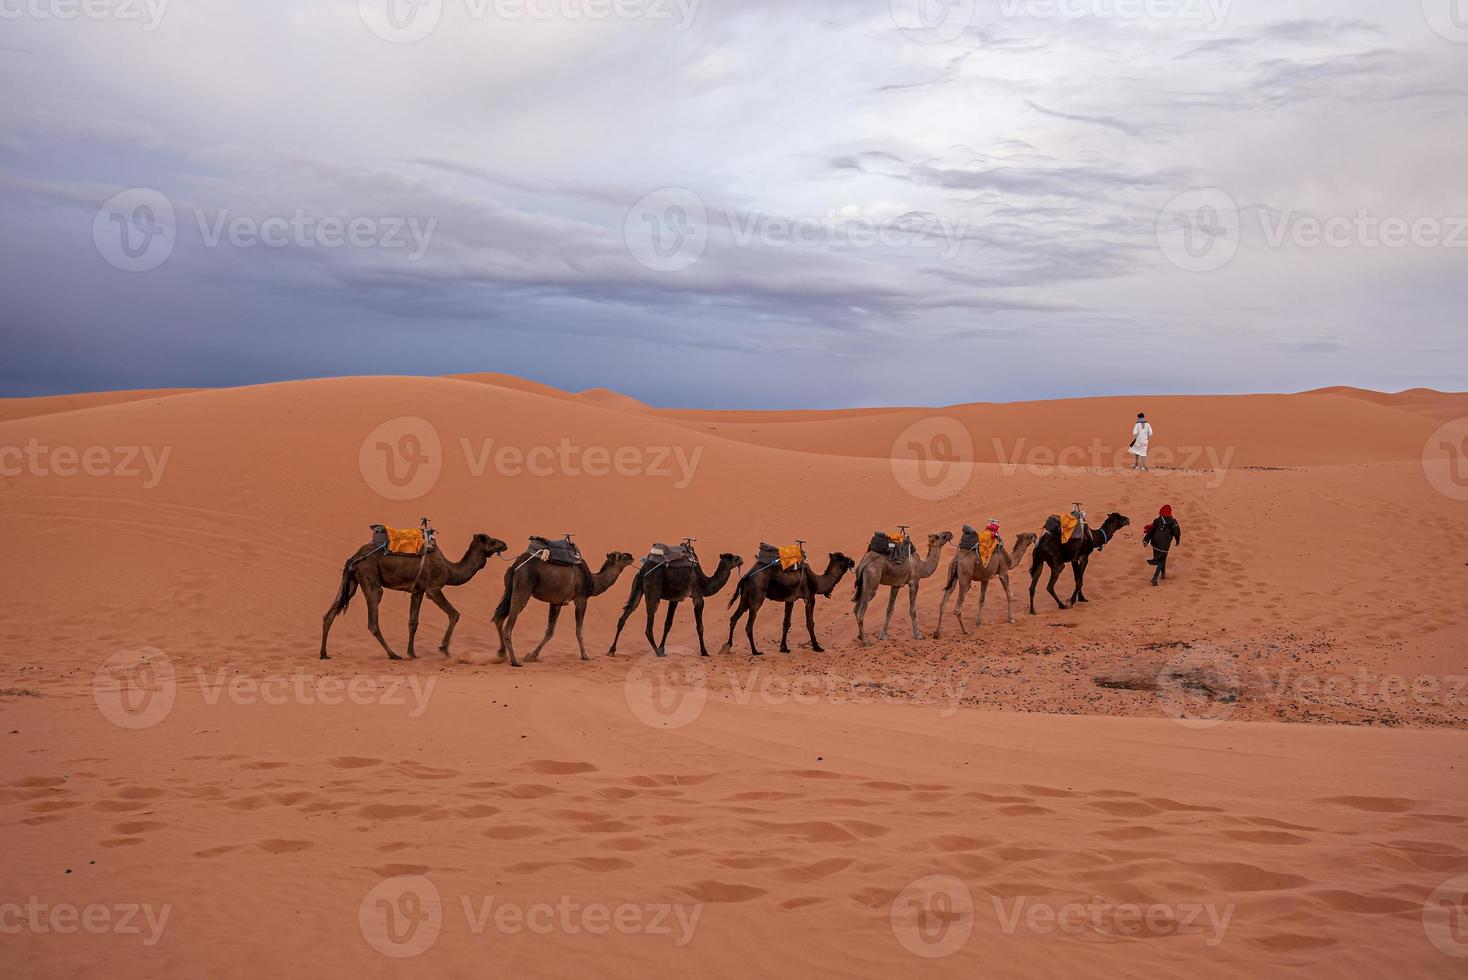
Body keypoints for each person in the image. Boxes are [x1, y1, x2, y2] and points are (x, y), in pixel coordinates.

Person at [1142, 504, 1181, 585]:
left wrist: (1146, 540)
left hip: (1155, 543)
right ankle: (1154, 578)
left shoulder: (1157, 520)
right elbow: (1177, 533)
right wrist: (1177, 540)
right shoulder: (1173, 522)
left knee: (1161, 557)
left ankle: (1163, 574)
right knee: (1161, 560)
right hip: (1164, 544)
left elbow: (1151, 530)